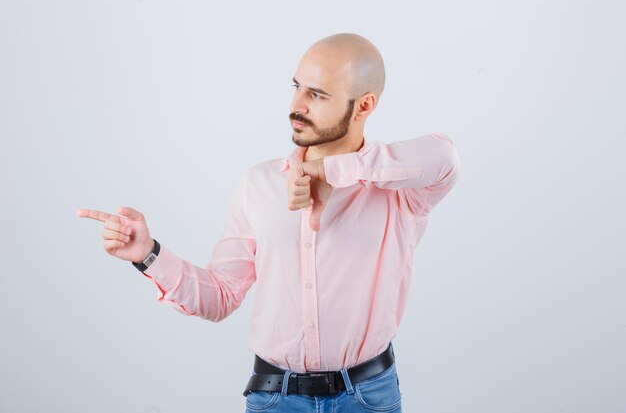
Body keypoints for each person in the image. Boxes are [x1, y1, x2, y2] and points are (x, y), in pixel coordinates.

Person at [77, 32, 461, 413]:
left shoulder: (400, 190)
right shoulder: (259, 184)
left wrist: (331, 171)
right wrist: (149, 254)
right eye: (297, 87)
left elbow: (445, 156)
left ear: (363, 106)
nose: (296, 105)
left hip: (368, 397)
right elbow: (222, 296)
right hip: (276, 399)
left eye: (317, 94)